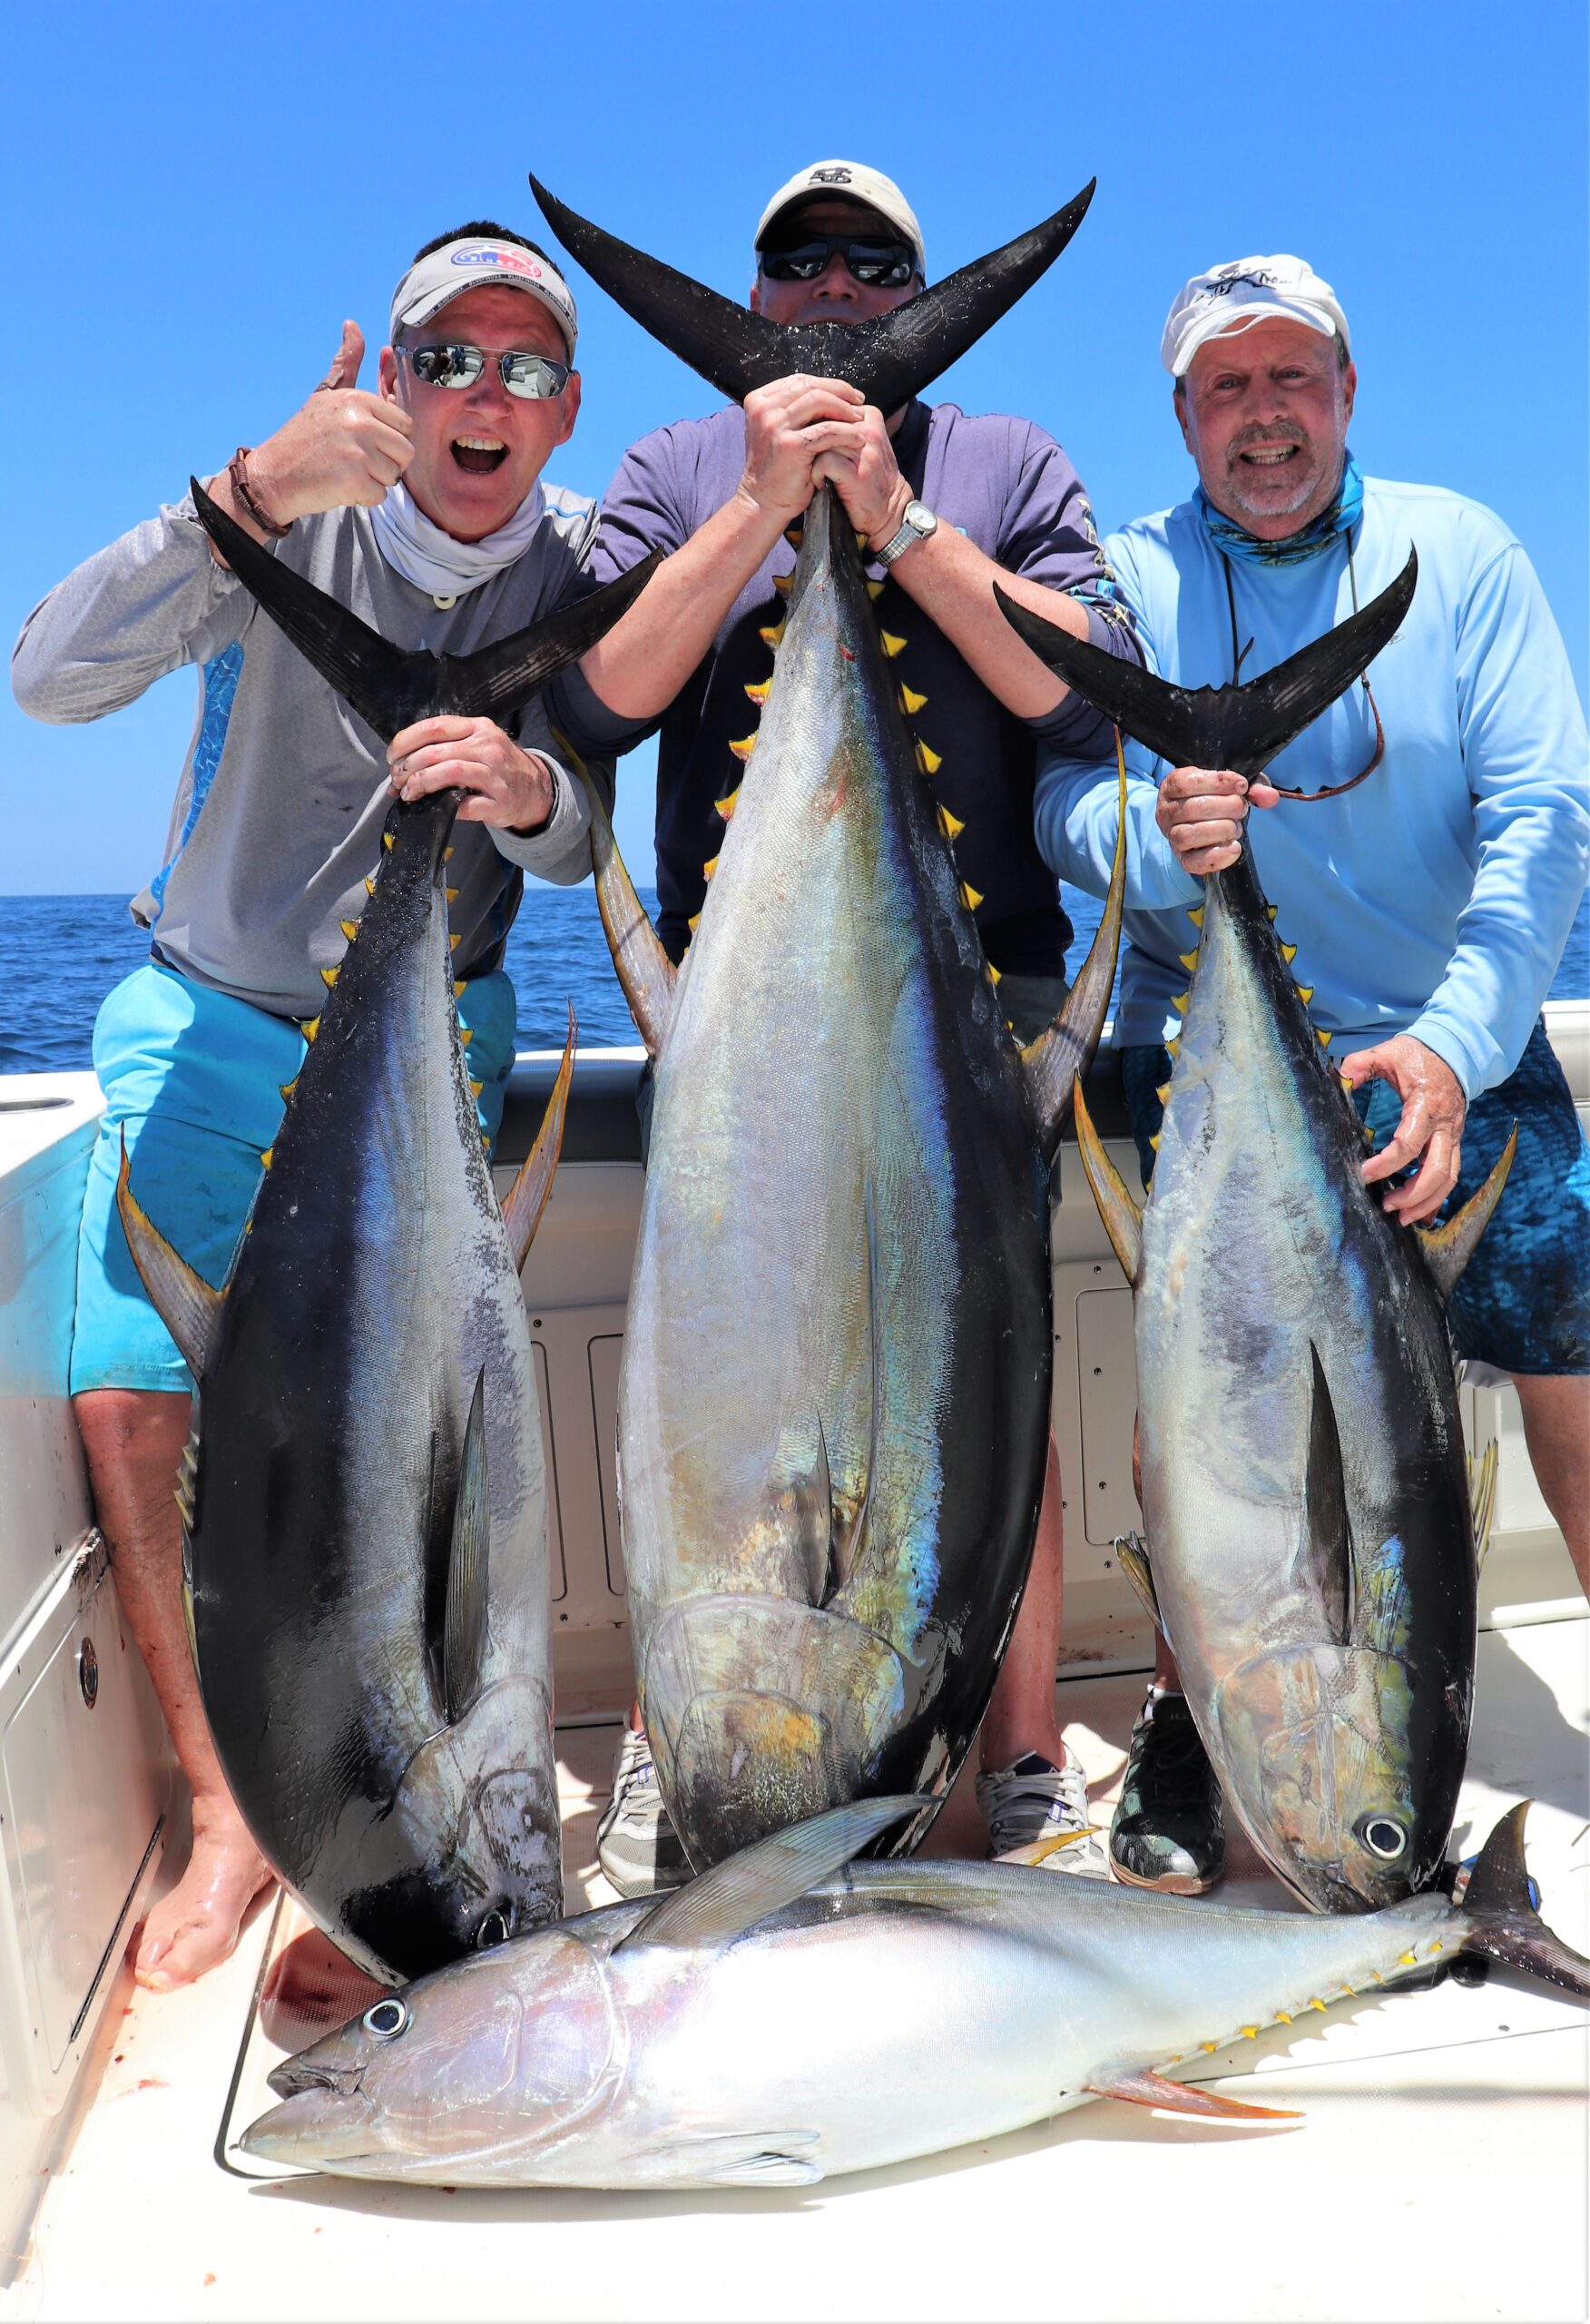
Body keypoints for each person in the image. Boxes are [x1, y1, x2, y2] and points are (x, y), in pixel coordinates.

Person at [12, 222, 607, 1987]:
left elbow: (588, 836)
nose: (479, 393)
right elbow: (47, 675)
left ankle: (408, 1769)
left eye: (521, 365)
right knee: (129, 1389)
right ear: (398, 378)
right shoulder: (276, 511)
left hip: (434, 1028)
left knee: (429, 1443)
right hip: (212, 1004)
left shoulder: (588, 567)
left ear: (565, 408)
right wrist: (250, 483)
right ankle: (224, 1810)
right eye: (448, 358)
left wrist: (521, 782)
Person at [551, 159, 1142, 1894]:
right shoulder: (669, 467)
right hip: (741, 1014)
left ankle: (1023, 1753)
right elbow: (598, 694)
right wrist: (760, 502)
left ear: (912, 285)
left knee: (982, 1374)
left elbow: (1082, 689)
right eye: (796, 266)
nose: (829, 292)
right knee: (702, 1376)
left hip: (982, 1011)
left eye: (869, 265)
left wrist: (889, 518)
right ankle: (676, 1741)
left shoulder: (1009, 463)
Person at [1035, 254, 1590, 1893]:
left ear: (1346, 395)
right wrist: (1155, 823)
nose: (1262, 415)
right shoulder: (1127, 577)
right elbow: (1061, 798)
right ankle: (1192, 1720)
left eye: (1293, 379)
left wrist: (1454, 1043)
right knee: (1207, 1416)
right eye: (1227, 386)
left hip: (1449, 1043)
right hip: (1224, 1062)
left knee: (1567, 1367)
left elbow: (1547, 817)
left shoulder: (1462, 550)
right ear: (1184, 415)